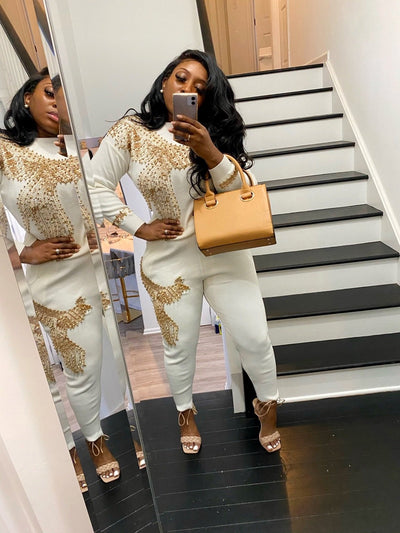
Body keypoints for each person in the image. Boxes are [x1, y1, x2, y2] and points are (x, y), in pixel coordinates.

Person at [90, 49, 282, 454]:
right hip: (169, 259)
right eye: (181, 79)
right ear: (165, 81)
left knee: (255, 337)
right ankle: (185, 413)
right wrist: (138, 226)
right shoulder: (131, 132)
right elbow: (94, 184)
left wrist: (211, 152)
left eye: (200, 88)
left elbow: (242, 190)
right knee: (180, 347)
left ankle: (267, 406)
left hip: (226, 254)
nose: (188, 90)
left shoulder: (214, 132)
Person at [0, 68, 120, 490]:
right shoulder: (6, 151)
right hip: (47, 279)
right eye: (49, 93)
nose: (57, 103)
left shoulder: (74, 149)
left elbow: (96, 204)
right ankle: (87, 445)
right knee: (72, 369)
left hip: (93, 271)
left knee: (107, 361)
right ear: (26, 98)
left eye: (64, 98)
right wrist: (20, 253)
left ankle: (105, 432)